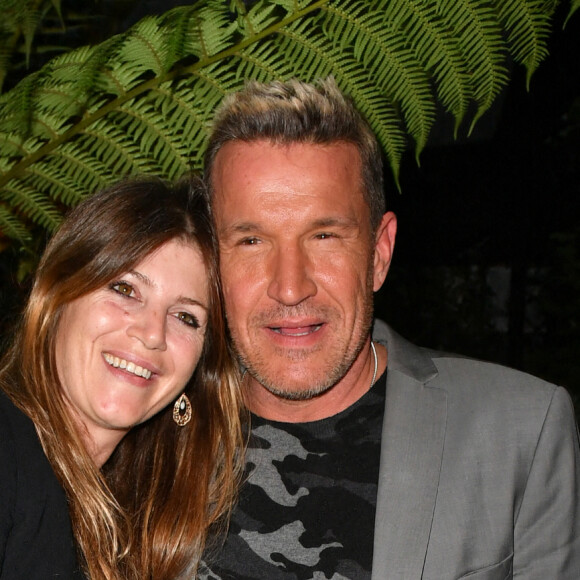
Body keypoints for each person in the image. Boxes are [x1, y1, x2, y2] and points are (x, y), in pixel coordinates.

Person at [199, 77, 580, 579]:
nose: (290, 287)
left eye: (324, 235)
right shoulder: (147, 441)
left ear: (379, 253)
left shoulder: (520, 431)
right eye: (251, 241)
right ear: (211, 261)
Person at [0, 176, 245, 579]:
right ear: (57, 295)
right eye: (125, 289)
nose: (152, 334)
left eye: (186, 317)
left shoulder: (126, 531)